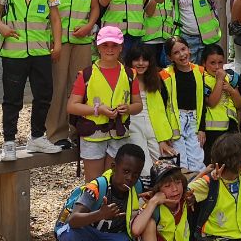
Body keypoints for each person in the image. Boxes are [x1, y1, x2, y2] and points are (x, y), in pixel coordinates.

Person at [0, 0, 63, 160]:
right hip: (14, 52)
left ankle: (37, 137)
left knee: (44, 95)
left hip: (41, 51)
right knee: (12, 98)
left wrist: (58, 44)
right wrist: (1, 26)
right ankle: (9, 142)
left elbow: (55, 18)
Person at [67, 25, 143, 181]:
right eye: (105, 45)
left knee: (113, 181)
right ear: (98, 46)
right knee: (94, 183)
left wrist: (128, 108)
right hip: (93, 135)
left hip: (119, 134)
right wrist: (98, 110)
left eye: (114, 45)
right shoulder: (87, 74)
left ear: (121, 47)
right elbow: (72, 106)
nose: (110, 49)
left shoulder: (129, 74)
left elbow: (138, 105)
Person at [45, 0, 99, 148]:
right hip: (58, 42)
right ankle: (56, 134)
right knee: (58, 87)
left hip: (82, 42)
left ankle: (78, 132)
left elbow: (95, 8)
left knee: (80, 88)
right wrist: (55, 42)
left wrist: (88, 26)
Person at [123, 43, 178, 177]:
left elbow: (160, 111)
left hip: (153, 124)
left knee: (163, 164)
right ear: (130, 61)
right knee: (144, 167)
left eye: (145, 60)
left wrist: (162, 139)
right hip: (133, 123)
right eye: (137, 60)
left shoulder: (156, 80)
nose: (141, 63)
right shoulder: (124, 79)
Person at [162, 37, 207, 172]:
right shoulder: (165, 75)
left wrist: (202, 128)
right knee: (179, 160)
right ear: (170, 57)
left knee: (197, 159)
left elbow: (202, 102)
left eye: (183, 49)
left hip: (194, 120)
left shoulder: (199, 71)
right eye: (176, 53)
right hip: (176, 122)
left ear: (189, 49)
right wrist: (165, 132)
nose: (182, 54)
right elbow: (163, 106)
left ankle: (196, 184)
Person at [202, 43, 240, 156]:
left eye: (220, 62)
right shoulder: (202, 79)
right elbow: (212, 103)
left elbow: (239, 104)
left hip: (231, 126)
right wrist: (219, 80)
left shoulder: (230, 76)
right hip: (213, 129)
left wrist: (231, 90)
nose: (217, 67)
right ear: (204, 63)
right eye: (212, 63)